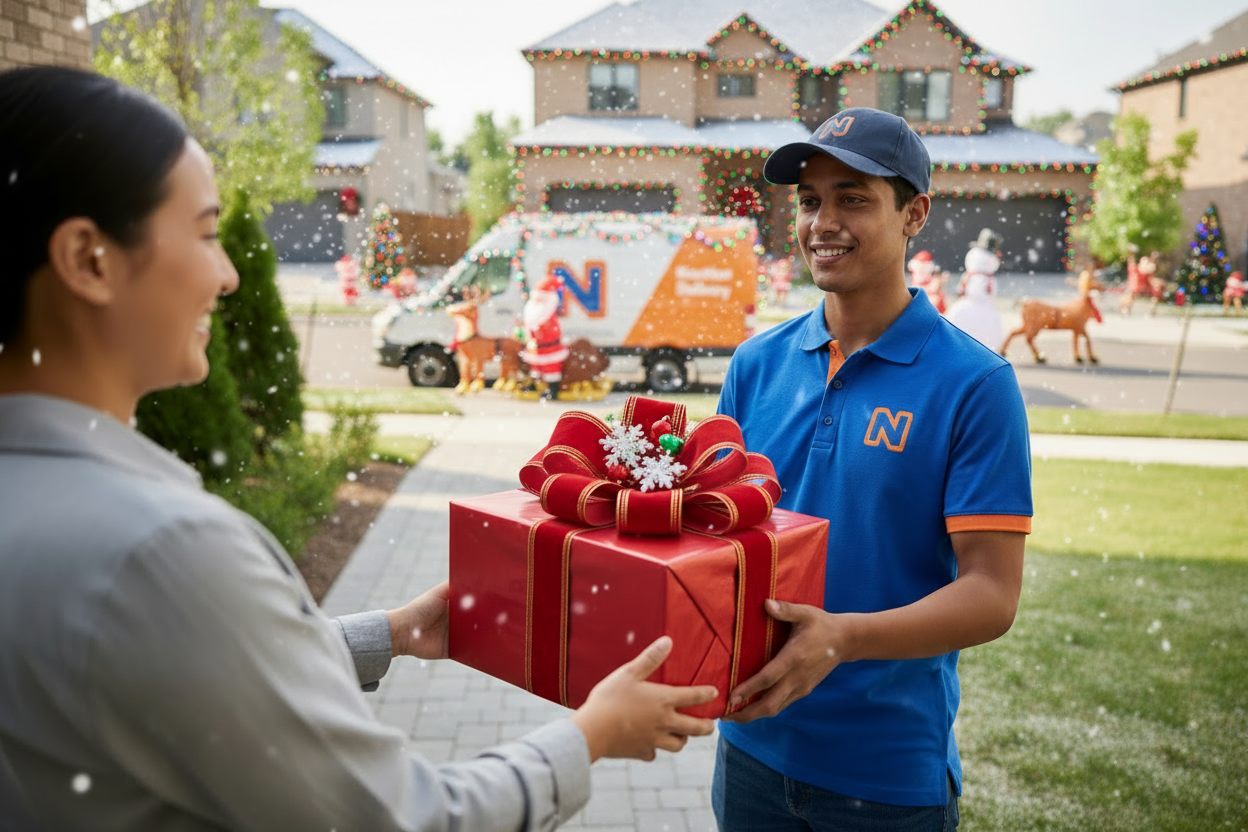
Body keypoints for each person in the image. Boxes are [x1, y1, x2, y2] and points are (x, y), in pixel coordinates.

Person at [0, 66, 717, 831]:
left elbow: (164, 680)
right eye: (206, 233)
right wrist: (592, 734)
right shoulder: (163, 550)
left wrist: (387, 635)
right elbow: (405, 819)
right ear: (88, 259)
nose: (230, 274)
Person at [713, 108, 1032, 831]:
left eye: (852, 197)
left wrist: (844, 637)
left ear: (914, 213)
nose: (823, 221)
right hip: (748, 748)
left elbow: (991, 594)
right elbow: (722, 536)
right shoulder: (756, 364)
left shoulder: (974, 384)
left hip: (884, 777)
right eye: (809, 200)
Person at [945, 228, 1005, 353]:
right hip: (982, 311)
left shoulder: (974, 275)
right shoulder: (983, 276)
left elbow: (963, 290)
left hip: (971, 309)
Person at [520, 273, 569, 399]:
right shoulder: (537, 311)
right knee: (536, 366)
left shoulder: (546, 314)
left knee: (551, 367)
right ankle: (534, 385)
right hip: (537, 346)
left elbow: (549, 329)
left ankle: (553, 390)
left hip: (549, 346)